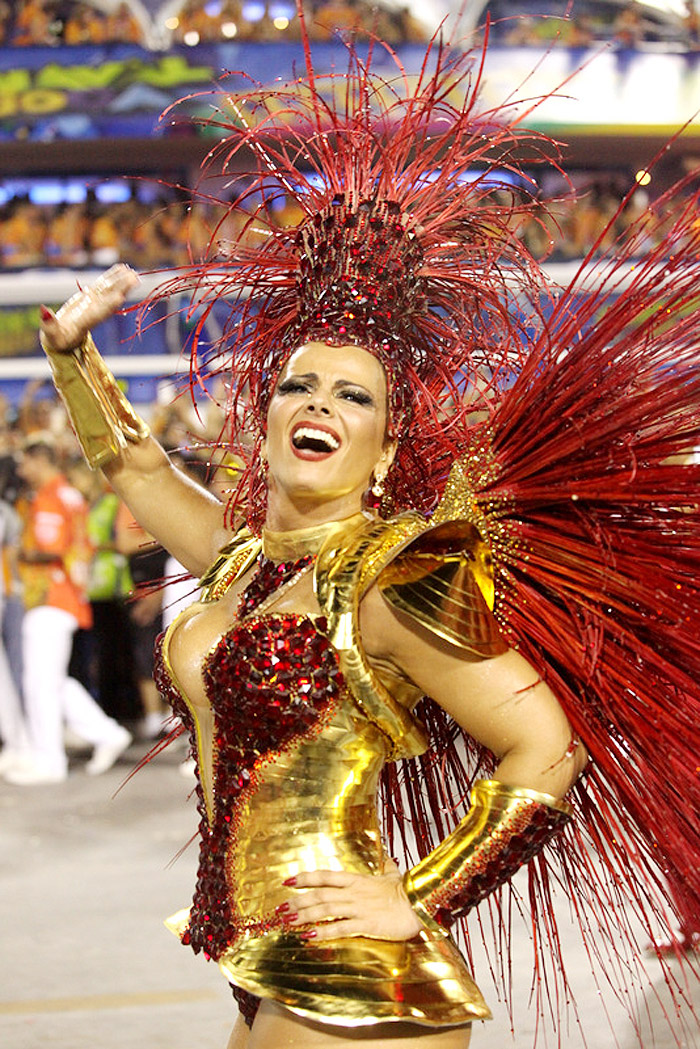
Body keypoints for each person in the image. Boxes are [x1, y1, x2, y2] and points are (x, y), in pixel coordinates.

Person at [35, 14, 700, 1049]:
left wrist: (419, 893)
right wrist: (72, 352)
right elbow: (130, 463)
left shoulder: (394, 577)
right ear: (265, 417)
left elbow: (542, 750)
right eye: (299, 381)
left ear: (387, 453)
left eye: (354, 395)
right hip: (252, 956)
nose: (320, 401)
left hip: (355, 975)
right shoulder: (244, 562)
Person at [4, 438, 132, 785]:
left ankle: (49, 762)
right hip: (68, 597)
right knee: (52, 680)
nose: (20, 471)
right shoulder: (70, 495)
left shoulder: (49, 499)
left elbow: (50, 547)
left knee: (40, 683)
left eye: (24, 463)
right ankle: (106, 733)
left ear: (39, 462)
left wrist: (20, 553)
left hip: (49, 596)